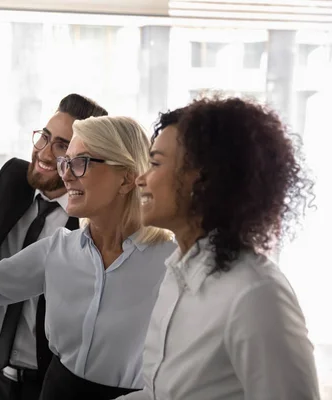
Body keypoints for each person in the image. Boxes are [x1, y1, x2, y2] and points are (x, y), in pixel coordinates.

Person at [0, 116, 176, 400]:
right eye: (67, 162)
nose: (65, 174)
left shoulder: (171, 263)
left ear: (126, 179)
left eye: (80, 162)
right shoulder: (57, 251)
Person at [116, 97, 319, 400]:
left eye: (156, 163)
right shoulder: (175, 275)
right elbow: (159, 394)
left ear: (203, 179)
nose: (142, 179)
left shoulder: (256, 294)